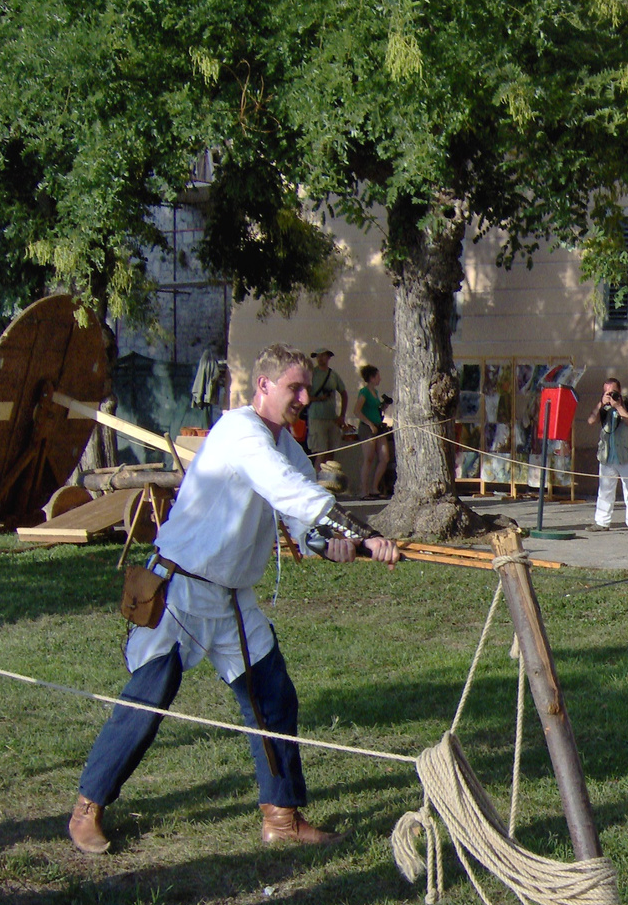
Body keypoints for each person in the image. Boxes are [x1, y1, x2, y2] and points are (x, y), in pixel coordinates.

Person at [67, 344, 400, 856]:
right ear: (262, 386)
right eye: (295, 387)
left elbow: (300, 526)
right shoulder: (239, 431)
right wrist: (364, 531)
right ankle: (87, 807)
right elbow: (291, 494)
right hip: (179, 587)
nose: (305, 397)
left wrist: (344, 547)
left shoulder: (287, 449)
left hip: (231, 600)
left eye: (307, 387)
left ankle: (282, 817)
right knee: (148, 697)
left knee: (272, 696)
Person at [586, 377, 628, 532]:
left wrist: (619, 407)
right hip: (607, 455)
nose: (610, 396)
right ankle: (602, 522)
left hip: (627, 455)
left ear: (620, 391)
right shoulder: (604, 408)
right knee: (605, 490)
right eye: (607, 393)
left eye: (613, 392)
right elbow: (591, 420)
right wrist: (600, 404)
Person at [305, 348, 350, 463]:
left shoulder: (333, 375)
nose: (320, 359)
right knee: (321, 453)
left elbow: (344, 393)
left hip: (332, 418)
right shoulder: (311, 374)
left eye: (323, 356)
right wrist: (319, 398)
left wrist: (342, 416)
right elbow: (304, 396)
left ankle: (330, 479)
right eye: (318, 356)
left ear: (328, 357)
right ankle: (318, 480)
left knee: (331, 453)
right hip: (316, 418)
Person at [355, 364, 392, 500]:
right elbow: (357, 410)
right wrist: (369, 423)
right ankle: (364, 491)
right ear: (371, 378)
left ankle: (374, 487)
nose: (380, 379)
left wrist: (384, 406)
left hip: (378, 426)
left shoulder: (375, 393)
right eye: (377, 376)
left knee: (384, 457)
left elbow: (376, 410)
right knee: (369, 459)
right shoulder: (364, 392)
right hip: (368, 428)